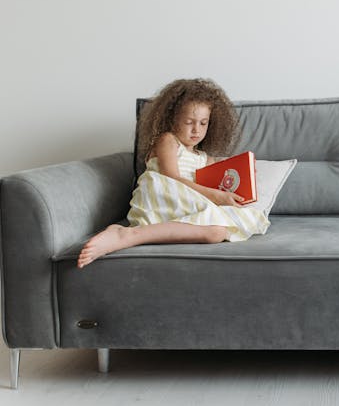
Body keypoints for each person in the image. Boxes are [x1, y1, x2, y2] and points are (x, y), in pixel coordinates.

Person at [77, 78, 269, 268]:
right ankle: (128, 235)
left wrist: (236, 184)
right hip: (165, 196)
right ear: (172, 119)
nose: (196, 130)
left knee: (217, 232)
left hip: (187, 203)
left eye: (203, 123)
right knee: (216, 225)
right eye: (189, 122)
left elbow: (209, 186)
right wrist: (216, 195)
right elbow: (172, 178)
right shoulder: (168, 140)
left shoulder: (205, 157)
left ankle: (133, 234)